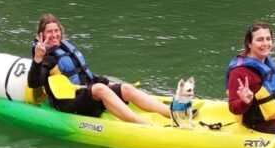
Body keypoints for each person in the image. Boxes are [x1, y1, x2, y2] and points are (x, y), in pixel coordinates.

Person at [27, 13, 171, 125]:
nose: (54, 35)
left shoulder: (65, 48)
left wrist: (109, 84)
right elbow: (34, 83)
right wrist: (38, 59)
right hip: (69, 102)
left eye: (56, 30)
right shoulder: (46, 57)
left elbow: (85, 76)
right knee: (100, 88)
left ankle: (172, 113)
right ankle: (143, 125)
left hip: (87, 95)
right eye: (49, 32)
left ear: (61, 31)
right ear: (41, 35)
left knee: (126, 88)